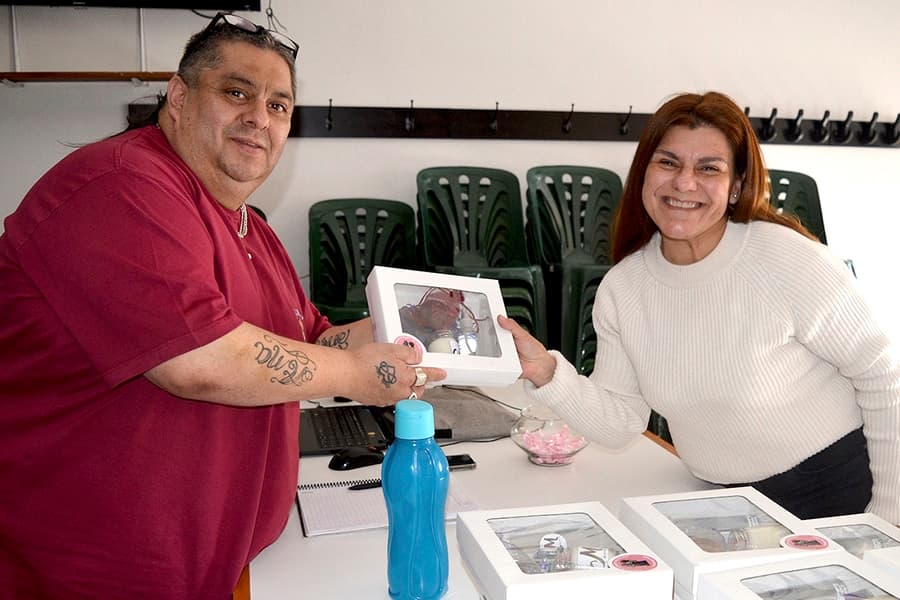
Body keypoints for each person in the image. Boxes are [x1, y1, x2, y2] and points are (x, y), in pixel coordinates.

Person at [0, 13, 443, 599]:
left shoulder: (248, 229)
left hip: (230, 563)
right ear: (179, 97)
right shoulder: (121, 185)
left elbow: (312, 342)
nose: (259, 118)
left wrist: (418, 325)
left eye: (280, 105)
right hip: (88, 574)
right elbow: (198, 358)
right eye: (237, 92)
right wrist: (362, 376)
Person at [499, 91, 900, 526]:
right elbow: (621, 421)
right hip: (721, 506)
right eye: (668, 163)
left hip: (839, 494)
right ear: (644, 175)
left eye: (709, 168)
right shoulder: (623, 287)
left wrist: (887, 517)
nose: (684, 183)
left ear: (737, 187)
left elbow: (883, 376)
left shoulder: (788, 259)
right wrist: (545, 371)